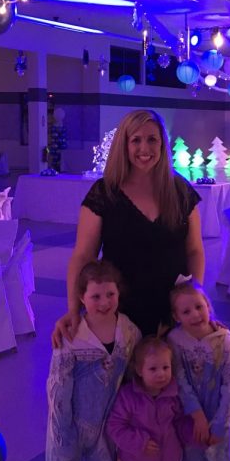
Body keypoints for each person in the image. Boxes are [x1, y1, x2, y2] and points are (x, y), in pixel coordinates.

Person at [52, 109, 205, 345]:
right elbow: (83, 256)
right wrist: (73, 308)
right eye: (136, 140)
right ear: (124, 145)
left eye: (152, 139)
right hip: (118, 313)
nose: (145, 148)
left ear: (163, 144)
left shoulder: (181, 192)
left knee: (167, 378)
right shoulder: (105, 193)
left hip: (170, 314)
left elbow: (194, 250)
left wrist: (195, 300)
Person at [44, 260, 142, 461]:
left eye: (110, 294)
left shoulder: (129, 331)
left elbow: (132, 376)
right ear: (81, 298)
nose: (104, 302)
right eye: (95, 296)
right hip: (70, 422)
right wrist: (63, 428)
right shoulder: (72, 335)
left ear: (119, 293)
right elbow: (58, 384)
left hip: (107, 424)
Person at [167, 278, 230, 461]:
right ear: (176, 316)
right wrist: (195, 414)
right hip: (189, 420)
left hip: (219, 417)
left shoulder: (224, 341)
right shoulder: (175, 341)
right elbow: (180, 380)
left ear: (208, 305)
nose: (195, 315)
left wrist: (220, 423)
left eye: (199, 307)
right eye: (186, 311)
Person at [107, 337, 191, 461]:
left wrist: (190, 434)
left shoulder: (174, 393)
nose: (161, 374)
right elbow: (115, 426)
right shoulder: (129, 396)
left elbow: (179, 420)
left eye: (165, 367)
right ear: (139, 370)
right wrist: (140, 442)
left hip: (167, 458)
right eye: (153, 369)